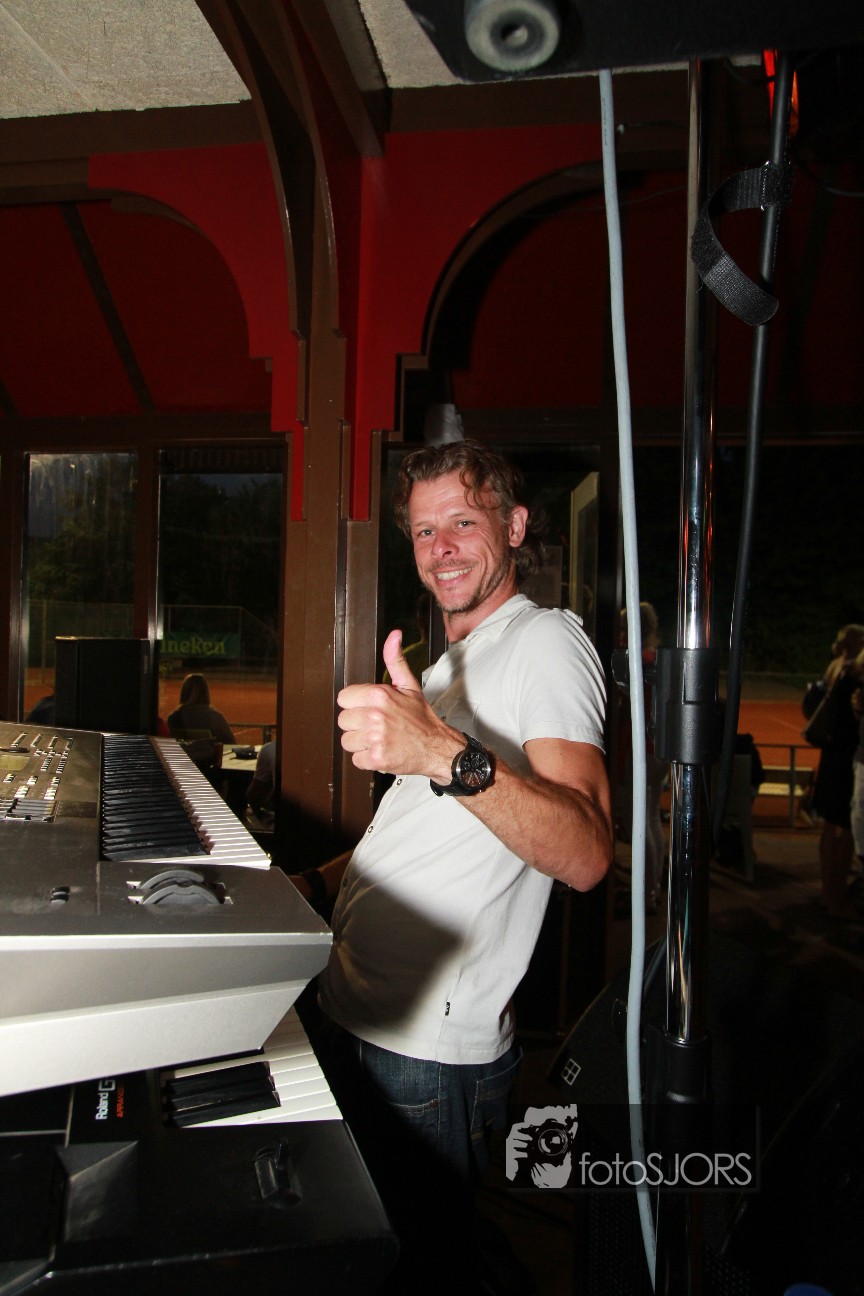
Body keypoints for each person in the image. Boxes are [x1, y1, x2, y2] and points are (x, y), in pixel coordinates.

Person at [293, 440, 612, 1289]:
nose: (441, 548)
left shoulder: (546, 641)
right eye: (424, 531)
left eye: (464, 522)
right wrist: (313, 884)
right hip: (352, 1008)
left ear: (515, 527)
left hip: (425, 1054)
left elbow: (587, 852)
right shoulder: (445, 670)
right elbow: (414, 833)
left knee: (425, 1270)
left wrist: (443, 753)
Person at [810, 625, 864, 921]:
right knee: (845, 832)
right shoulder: (854, 674)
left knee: (830, 829)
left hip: (831, 755)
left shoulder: (834, 668)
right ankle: (836, 898)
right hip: (847, 757)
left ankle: (827, 893)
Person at [616, 602, 667, 913]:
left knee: (639, 822)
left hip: (640, 749)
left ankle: (646, 895)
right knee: (651, 818)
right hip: (658, 747)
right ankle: (653, 888)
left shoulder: (633, 661)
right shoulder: (655, 658)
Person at [167, 673, 235, 774]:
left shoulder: (173, 717)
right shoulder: (214, 716)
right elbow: (231, 743)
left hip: (181, 769)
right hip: (210, 771)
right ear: (205, 692)